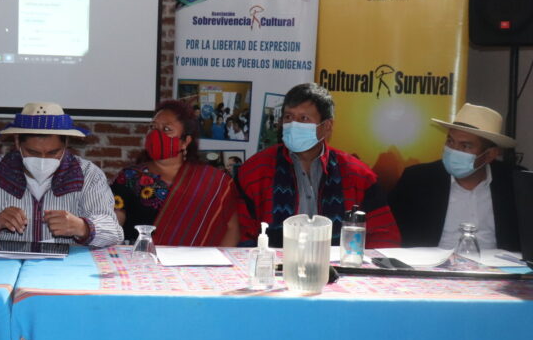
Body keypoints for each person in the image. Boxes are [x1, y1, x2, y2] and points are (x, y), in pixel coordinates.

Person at [236, 82, 400, 248]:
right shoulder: (254, 172)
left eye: (303, 118)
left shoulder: (358, 176)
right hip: (273, 270)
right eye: (288, 117)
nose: (293, 125)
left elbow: (385, 237)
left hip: (338, 270)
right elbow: (240, 235)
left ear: (326, 127)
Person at [0, 102, 122, 247]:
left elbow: (114, 233)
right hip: (5, 271)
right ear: (17, 142)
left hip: (67, 272)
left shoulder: (89, 176)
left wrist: (83, 227)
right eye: (33, 152)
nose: (43, 160)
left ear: (66, 144)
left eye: (52, 153)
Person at [389, 103, 521, 251]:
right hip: (431, 269)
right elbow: (390, 234)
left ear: (490, 155)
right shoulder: (417, 180)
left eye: (466, 146)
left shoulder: (515, 184)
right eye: (450, 141)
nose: (453, 151)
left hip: (499, 270)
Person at [112, 100, 239, 246]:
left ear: (185, 141)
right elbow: (113, 225)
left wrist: (217, 266)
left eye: (166, 129)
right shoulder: (129, 177)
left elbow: (231, 228)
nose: (156, 134)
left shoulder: (215, 182)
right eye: (152, 127)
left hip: (198, 266)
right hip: (141, 262)